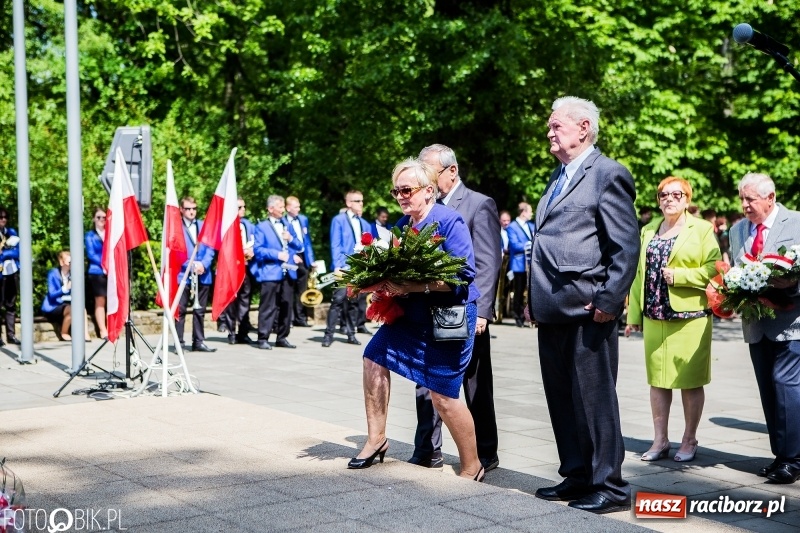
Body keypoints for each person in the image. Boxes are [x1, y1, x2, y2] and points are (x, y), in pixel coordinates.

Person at [529, 96, 639, 513]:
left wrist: (609, 301)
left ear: (583, 128)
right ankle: (576, 475)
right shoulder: (558, 175)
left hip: (589, 308)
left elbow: (625, 246)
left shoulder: (607, 174)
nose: (549, 132)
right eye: (550, 125)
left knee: (594, 400)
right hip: (552, 309)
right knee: (561, 397)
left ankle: (608, 486)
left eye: (556, 125)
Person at [349, 158, 484, 482]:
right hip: (412, 317)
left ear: (428, 191)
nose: (400, 196)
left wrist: (413, 285)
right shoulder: (403, 226)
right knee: (373, 357)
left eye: (406, 189)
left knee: (444, 396)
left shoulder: (449, 221)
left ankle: (472, 466)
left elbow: (462, 276)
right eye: (396, 190)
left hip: (449, 314)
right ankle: (376, 439)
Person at [410, 144, 502, 472]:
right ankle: (426, 450)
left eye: (428, 171)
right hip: (426, 305)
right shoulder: (421, 209)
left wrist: (484, 311)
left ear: (451, 171)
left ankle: (485, 452)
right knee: (425, 376)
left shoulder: (478, 204)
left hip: (463, 306)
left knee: (473, 382)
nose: (422, 178)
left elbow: (489, 260)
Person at [625, 176, 721, 463]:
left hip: (690, 317)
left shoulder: (702, 229)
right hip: (655, 316)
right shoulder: (648, 230)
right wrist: (633, 315)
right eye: (663, 195)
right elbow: (638, 273)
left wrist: (681, 276)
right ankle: (660, 440)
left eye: (676, 194)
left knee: (690, 382)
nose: (669, 199)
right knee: (657, 381)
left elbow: (715, 269)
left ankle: (689, 439)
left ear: (687, 199)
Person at [729, 172, 800, 484]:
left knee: (786, 385)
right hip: (757, 325)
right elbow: (736, 272)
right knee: (769, 390)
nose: (745, 205)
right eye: (742, 199)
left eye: (750, 199)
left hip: (792, 321)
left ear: (771, 198)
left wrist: (788, 288)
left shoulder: (796, 223)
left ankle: (792, 459)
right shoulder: (737, 231)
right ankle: (780, 454)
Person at [252, 195, 303, 350]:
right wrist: (277, 255)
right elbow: (258, 250)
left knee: (286, 305)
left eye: (283, 207)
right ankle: (263, 337)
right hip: (271, 272)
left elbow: (300, 246)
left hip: (288, 271)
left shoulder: (288, 224)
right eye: (280, 207)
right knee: (268, 305)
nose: (283, 210)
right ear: (270, 209)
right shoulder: (262, 227)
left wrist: (291, 239)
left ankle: (282, 337)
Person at [321, 191, 370, 347]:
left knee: (353, 302)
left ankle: (351, 333)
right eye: (357, 201)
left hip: (359, 268)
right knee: (338, 300)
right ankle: (328, 335)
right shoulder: (339, 220)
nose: (361, 203)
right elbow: (336, 243)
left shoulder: (365, 223)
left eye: (362, 201)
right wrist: (338, 265)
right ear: (348, 203)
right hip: (344, 266)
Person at [175, 197, 216, 353]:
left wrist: (203, 264)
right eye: (188, 209)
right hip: (184, 274)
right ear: (181, 209)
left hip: (203, 274)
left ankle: (198, 341)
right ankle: (179, 342)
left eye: (194, 208)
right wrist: (190, 265)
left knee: (200, 310)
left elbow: (211, 248)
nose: (192, 211)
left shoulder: (204, 226)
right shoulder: (177, 228)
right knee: (181, 309)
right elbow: (176, 252)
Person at [220, 198, 257, 344]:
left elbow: (256, 242)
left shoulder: (249, 225)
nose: (243, 209)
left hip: (247, 267)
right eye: (240, 207)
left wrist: (252, 251)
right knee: (232, 300)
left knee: (245, 301)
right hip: (232, 268)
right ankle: (232, 332)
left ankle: (243, 332)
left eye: (244, 206)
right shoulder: (226, 225)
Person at [41, 251, 89, 341]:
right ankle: (64, 332)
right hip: (53, 306)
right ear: (61, 262)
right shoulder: (53, 274)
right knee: (73, 309)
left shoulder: (73, 275)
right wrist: (65, 289)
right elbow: (52, 295)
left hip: (67, 306)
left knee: (82, 308)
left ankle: (85, 334)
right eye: (69, 262)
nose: (71, 264)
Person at [285, 196, 315, 327]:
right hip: (290, 257)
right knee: (290, 286)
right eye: (296, 206)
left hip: (303, 255)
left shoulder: (303, 220)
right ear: (288, 208)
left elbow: (307, 241)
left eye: (299, 206)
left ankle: (300, 317)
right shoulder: (283, 221)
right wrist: (292, 256)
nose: (299, 209)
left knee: (302, 288)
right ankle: (289, 318)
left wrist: (311, 259)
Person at [506, 202, 535, 327]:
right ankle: (518, 316)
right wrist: (528, 245)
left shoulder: (531, 225)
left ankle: (527, 315)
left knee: (528, 291)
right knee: (518, 291)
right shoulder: (512, 226)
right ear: (523, 212)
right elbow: (514, 245)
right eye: (530, 211)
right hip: (519, 264)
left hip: (530, 264)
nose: (531, 213)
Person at [85, 207, 109, 339]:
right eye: (99, 217)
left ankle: (111, 328)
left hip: (110, 271)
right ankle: (102, 330)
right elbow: (91, 254)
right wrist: (105, 263)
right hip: (97, 271)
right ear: (94, 219)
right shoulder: (90, 235)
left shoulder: (109, 233)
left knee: (111, 300)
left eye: (104, 218)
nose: (101, 220)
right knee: (100, 300)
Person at [0, 207, 21, 346]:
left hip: (11, 272)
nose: (3, 219)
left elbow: (18, 252)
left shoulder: (11, 232)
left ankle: (11, 335)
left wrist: (4, 252)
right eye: (0, 217)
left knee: (10, 304)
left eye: (5, 217)